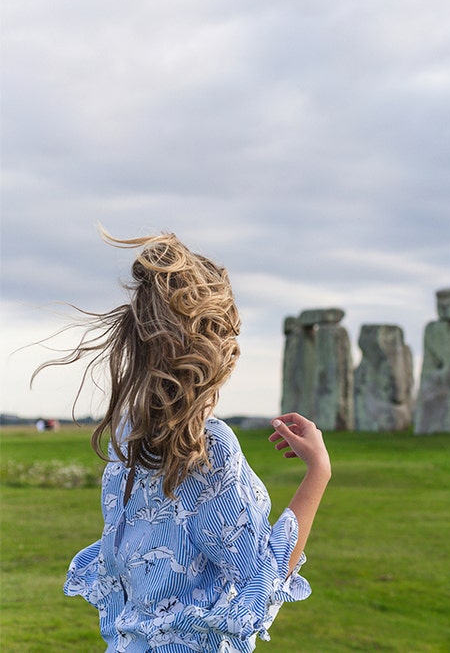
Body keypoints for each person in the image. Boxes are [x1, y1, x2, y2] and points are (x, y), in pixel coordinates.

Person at [35, 230, 330, 652]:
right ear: (221, 353)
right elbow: (261, 579)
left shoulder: (128, 439)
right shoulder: (208, 449)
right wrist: (318, 471)